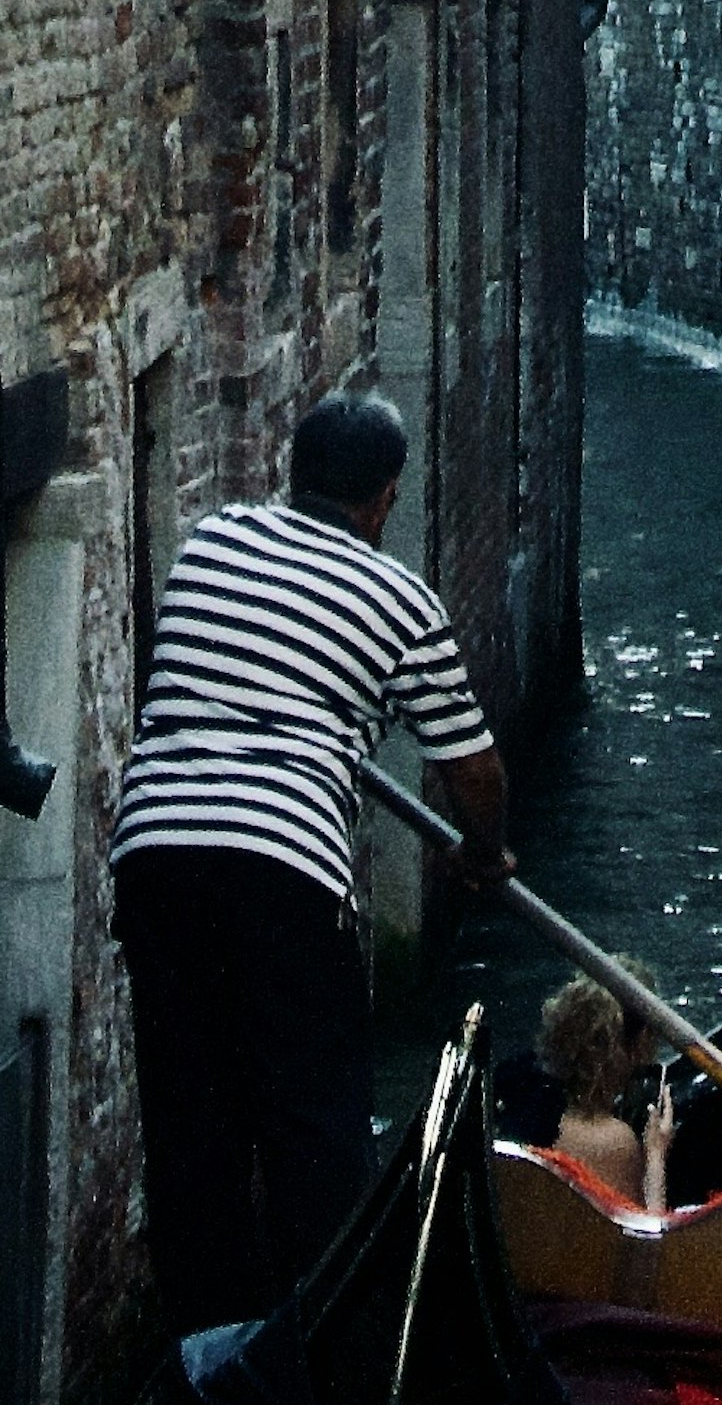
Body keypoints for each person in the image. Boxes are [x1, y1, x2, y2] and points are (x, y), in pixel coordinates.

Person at [113, 386, 511, 1338]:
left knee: (192, 1128)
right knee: (313, 1132)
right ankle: (320, 1361)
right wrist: (483, 854)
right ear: (383, 500)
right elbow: (477, 769)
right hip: (284, 868)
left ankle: (207, 1358)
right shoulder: (400, 601)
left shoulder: (210, 542)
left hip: (158, 850)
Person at [535, 972, 670, 1219]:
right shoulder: (615, 1142)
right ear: (637, 1044)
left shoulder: (535, 1114)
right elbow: (644, 1252)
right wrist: (656, 1157)